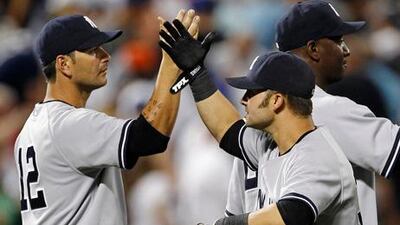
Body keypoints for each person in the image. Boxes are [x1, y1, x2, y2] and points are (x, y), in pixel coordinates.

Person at [159, 17, 361, 224]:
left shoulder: (319, 156)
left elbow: (288, 216)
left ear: (276, 101)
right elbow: (226, 129)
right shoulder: (270, 143)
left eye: (252, 92)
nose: (244, 100)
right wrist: (195, 73)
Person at [13, 10, 200, 225]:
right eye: (93, 50)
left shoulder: (30, 129)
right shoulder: (68, 124)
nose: (105, 55)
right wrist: (171, 63)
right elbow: (150, 137)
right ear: (63, 64)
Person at [225, 1, 400, 225]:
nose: (346, 50)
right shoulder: (329, 110)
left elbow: (236, 212)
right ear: (314, 49)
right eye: (338, 41)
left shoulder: (254, 124)